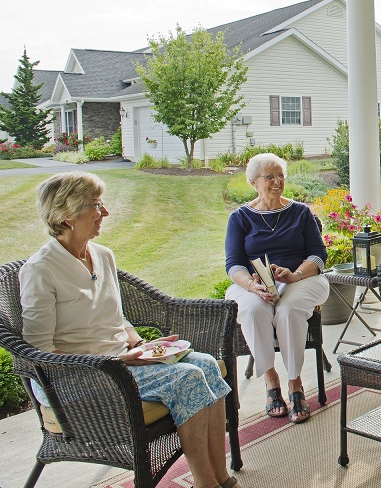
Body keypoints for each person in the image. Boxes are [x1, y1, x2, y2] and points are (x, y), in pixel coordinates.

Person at [19, 172, 238, 488]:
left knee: (205, 364)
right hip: (74, 377)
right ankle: (206, 484)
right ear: (67, 216)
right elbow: (38, 352)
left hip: (120, 361)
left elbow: (116, 317)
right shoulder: (40, 270)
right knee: (188, 377)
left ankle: (222, 478)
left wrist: (142, 345)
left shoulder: (103, 255)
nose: (105, 212)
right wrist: (120, 361)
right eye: (96, 205)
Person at [224, 153, 329, 424]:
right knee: (251, 310)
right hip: (254, 284)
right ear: (253, 182)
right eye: (269, 176)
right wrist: (251, 285)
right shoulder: (240, 218)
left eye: (280, 175)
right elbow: (233, 265)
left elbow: (318, 255)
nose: (277, 181)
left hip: (302, 280)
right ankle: (271, 383)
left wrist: (294, 275)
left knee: (288, 310)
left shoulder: (300, 212)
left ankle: (295, 385)